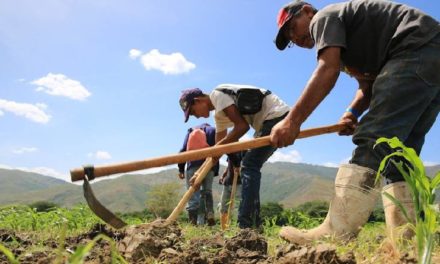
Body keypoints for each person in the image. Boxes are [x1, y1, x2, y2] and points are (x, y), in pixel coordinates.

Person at [272, 0, 440, 244]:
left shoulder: (324, 18)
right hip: (430, 56)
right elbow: (369, 85)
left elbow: (326, 69)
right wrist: (352, 112)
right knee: (399, 151)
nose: (293, 39)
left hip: (415, 47)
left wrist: (291, 121)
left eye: (291, 28)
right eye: (288, 39)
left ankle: (336, 232)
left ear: (307, 11)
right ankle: (408, 238)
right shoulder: (347, 45)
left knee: (374, 138)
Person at [179, 84, 290, 229]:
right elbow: (217, 151)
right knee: (250, 165)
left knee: (249, 165)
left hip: (276, 116)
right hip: (267, 123)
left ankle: (247, 225)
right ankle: (253, 224)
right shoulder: (219, 114)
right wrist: (200, 172)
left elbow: (241, 127)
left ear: (198, 100)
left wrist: (217, 149)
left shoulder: (217, 95)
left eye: (193, 112)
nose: (196, 116)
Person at [178, 123, 219, 226]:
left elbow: (183, 150)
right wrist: (215, 169)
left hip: (193, 165)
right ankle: (210, 212)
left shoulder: (191, 131)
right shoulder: (213, 130)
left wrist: (181, 169)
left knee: (192, 195)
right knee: (207, 191)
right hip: (209, 166)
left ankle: (192, 224)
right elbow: (219, 149)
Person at [218, 150, 246, 230]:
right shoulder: (231, 151)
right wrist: (223, 176)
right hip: (228, 182)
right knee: (223, 207)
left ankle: (237, 229)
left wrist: (239, 169)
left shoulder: (243, 151)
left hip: (239, 183)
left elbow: (246, 165)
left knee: (238, 206)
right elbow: (228, 166)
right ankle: (224, 229)